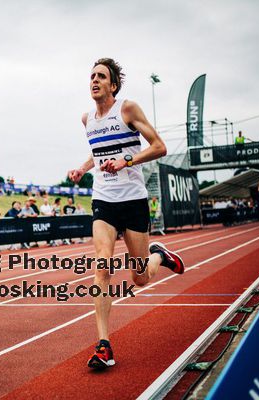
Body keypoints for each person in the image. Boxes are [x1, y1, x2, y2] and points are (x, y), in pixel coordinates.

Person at [67, 57, 185, 370]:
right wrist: (82, 167)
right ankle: (104, 344)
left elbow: (159, 147)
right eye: (91, 76)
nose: (94, 81)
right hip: (103, 200)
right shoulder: (86, 119)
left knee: (140, 277)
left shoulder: (128, 109)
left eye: (101, 77)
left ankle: (158, 254)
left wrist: (127, 162)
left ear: (113, 85)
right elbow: (98, 151)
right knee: (102, 266)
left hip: (133, 200)